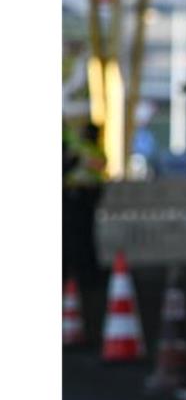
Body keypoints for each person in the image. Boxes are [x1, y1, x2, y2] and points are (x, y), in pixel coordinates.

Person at [63, 121, 107, 287]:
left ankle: (79, 276)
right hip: (82, 198)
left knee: (78, 239)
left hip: (77, 198)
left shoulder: (78, 147)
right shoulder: (87, 148)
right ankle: (85, 276)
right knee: (82, 239)